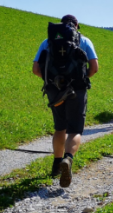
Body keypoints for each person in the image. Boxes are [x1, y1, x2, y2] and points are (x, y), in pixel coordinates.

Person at [32, 15, 98, 188]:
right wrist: (82, 79)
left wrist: (53, 82)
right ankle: (68, 159)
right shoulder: (84, 40)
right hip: (77, 90)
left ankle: (56, 164)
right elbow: (94, 67)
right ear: (77, 26)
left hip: (54, 91)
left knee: (59, 127)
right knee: (75, 129)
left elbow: (36, 69)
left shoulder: (47, 41)